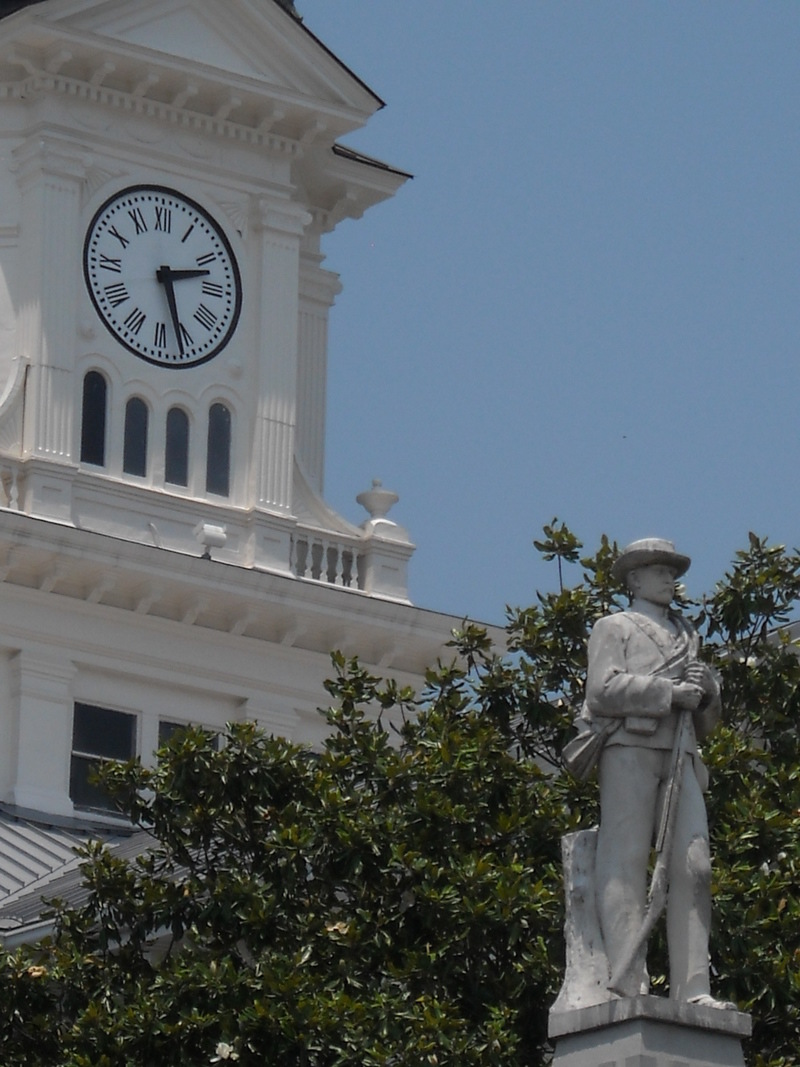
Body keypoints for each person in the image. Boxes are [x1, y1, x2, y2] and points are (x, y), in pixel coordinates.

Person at [584, 538, 733, 1008]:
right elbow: (602, 691)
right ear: (634, 579)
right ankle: (629, 980)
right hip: (630, 748)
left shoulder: (687, 635)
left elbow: (708, 719)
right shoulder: (615, 627)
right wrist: (669, 693)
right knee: (625, 865)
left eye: (671, 571)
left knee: (696, 867)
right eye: (658, 570)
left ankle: (694, 989)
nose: (669, 578)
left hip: (682, 753)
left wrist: (707, 692)